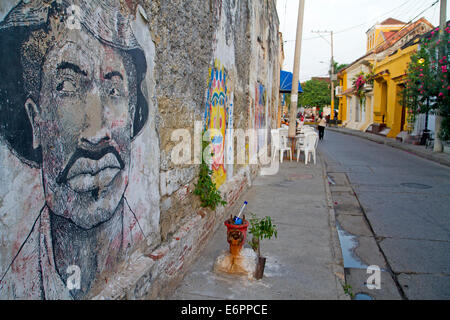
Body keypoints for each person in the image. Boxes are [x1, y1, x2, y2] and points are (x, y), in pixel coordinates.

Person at [0, 0, 152, 299]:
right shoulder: (14, 284)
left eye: (114, 91)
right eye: (67, 87)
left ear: (132, 111)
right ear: (36, 121)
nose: (96, 134)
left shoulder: (147, 241)